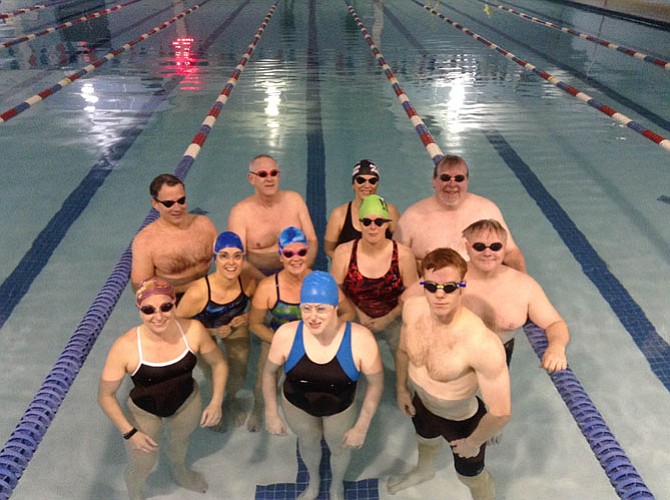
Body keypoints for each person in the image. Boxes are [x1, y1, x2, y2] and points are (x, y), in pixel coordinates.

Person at [388, 248, 511, 500]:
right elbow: (402, 352)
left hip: (461, 421)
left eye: (450, 287)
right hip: (421, 403)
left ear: (462, 287)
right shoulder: (413, 309)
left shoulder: (479, 341)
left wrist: (473, 442)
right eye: (432, 286)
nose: (440, 295)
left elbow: (501, 412)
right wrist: (401, 388)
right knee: (424, 439)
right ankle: (424, 471)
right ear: (422, 284)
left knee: (471, 477)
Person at [98, 277, 227, 500]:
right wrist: (129, 432)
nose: (158, 316)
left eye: (165, 307)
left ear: (174, 303)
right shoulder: (125, 347)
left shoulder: (193, 331)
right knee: (143, 463)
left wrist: (216, 401)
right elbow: (105, 396)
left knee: (180, 443)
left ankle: (179, 470)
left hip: (187, 402)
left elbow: (219, 363)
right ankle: (135, 491)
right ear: (140, 311)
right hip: (144, 411)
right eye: (149, 310)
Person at [263, 271, 384, 500]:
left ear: (335, 307)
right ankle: (314, 482)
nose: (312, 317)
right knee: (308, 444)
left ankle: (336, 485)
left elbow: (376, 384)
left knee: (339, 448)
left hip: (340, 407)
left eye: (321, 309)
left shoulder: (360, 339)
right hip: (296, 404)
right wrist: (271, 412)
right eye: (306, 308)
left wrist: (362, 426)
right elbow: (269, 373)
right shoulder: (286, 335)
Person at [248, 226, 354, 432]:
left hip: (318, 340)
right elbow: (255, 324)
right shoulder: (269, 287)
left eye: (301, 252)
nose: (295, 258)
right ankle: (258, 408)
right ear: (280, 256)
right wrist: (279, 342)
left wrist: (331, 333)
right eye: (288, 253)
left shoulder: (323, 283)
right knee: (263, 381)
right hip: (277, 339)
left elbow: (348, 313)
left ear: (308, 253)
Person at [461, 219, 569, 372]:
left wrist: (556, 348)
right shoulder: (448, 277)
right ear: (467, 247)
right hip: (452, 356)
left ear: (504, 248)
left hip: (500, 356)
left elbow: (555, 324)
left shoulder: (524, 285)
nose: (487, 252)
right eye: (479, 247)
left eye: (495, 247)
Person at [176, 231, 257, 430]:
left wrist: (246, 317)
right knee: (215, 373)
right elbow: (177, 325)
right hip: (202, 332)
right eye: (224, 256)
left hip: (233, 327)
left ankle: (230, 400)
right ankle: (216, 405)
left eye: (237, 256)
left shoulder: (247, 282)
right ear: (215, 259)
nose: (231, 262)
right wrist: (211, 332)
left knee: (238, 373)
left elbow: (259, 306)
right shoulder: (198, 292)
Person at [394, 155, 526, 273]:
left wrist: (522, 285)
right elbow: (393, 262)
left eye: (459, 178)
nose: (452, 184)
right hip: (435, 292)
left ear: (467, 182)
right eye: (445, 178)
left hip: (481, 287)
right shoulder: (412, 218)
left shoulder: (486, 210)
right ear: (434, 181)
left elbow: (511, 253)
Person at [331, 194, 418, 355]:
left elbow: (413, 295)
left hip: (394, 317)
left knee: (406, 347)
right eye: (367, 222)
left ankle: (400, 381)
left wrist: (388, 318)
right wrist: (358, 314)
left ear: (387, 225)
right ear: (360, 224)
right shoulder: (343, 252)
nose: (373, 227)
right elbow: (335, 291)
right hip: (355, 314)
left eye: (379, 222)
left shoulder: (403, 255)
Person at [228, 154, 318, 277]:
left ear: (278, 176)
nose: (269, 179)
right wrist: (266, 283)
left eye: (273, 173)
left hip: (297, 270)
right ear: (251, 179)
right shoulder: (240, 212)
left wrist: (303, 270)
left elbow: (312, 241)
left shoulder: (294, 200)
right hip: (259, 275)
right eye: (263, 174)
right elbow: (238, 258)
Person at [131, 173, 218, 297]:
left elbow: (225, 259)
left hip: (209, 292)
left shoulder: (204, 224)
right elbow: (142, 289)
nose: (177, 208)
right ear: (155, 204)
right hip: (173, 298)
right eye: (168, 203)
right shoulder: (145, 242)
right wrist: (194, 288)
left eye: (181, 201)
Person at [324, 159, 400, 259]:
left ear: (377, 184)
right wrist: (348, 266)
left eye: (372, 181)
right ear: (353, 184)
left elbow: (400, 247)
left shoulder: (390, 211)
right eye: (361, 180)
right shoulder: (339, 214)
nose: (367, 185)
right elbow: (329, 249)